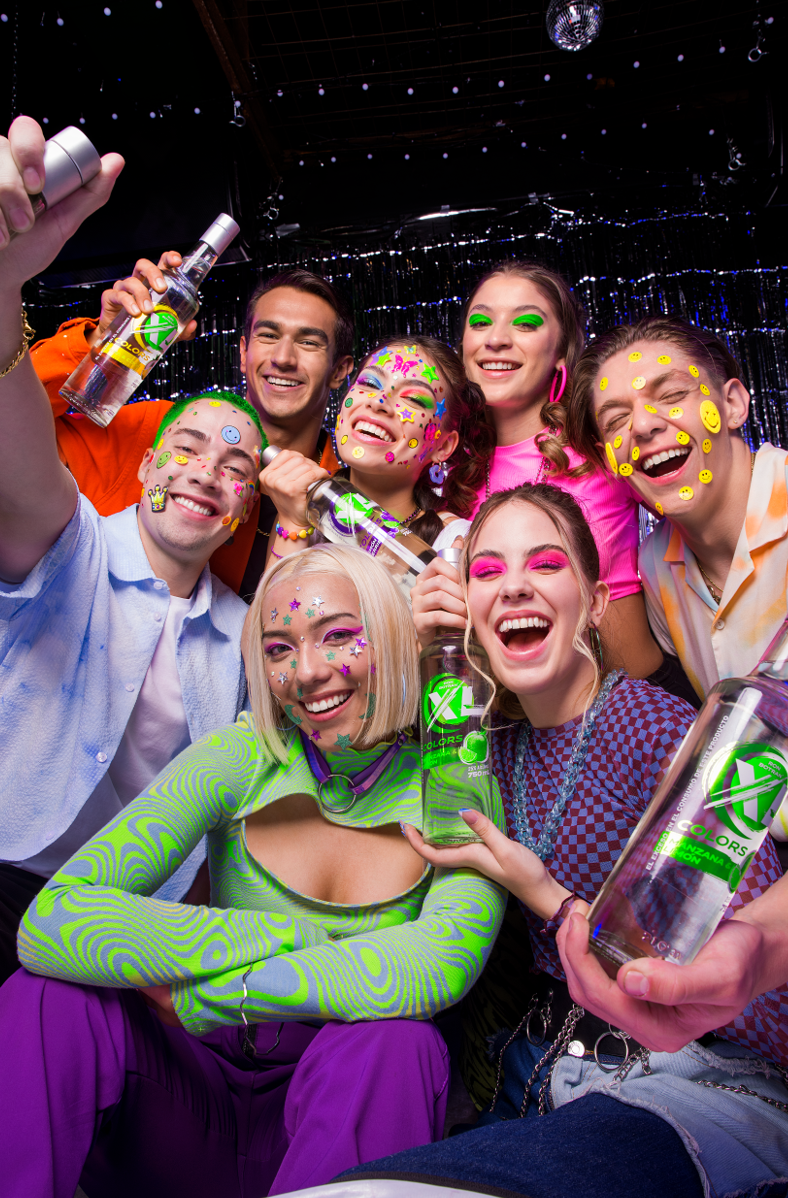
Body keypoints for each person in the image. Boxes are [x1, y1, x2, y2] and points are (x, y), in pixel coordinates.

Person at [2, 542, 507, 1198]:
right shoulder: (242, 755)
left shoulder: (452, 776)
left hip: (335, 1118)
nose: (308, 672)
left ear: (385, 634)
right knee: (49, 994)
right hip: (187, 1101)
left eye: (338, 636)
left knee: (398, 1046)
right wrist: (286, 939)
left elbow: (442, 963)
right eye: (278, 649)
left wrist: (212, 995)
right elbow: (52, 922)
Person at [360, 483, 788, 1198]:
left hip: (703, 1082)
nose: (515, 585)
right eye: (487, 572)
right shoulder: (484, 742)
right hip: (541, 1078)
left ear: (594, 602)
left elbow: (762, 1004)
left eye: (546, 564)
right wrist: (420, 640)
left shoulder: (655, 728)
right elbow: (352, 753)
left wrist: (549, 897)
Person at [0, 117, 259, 981]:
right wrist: (4, 283)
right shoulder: (69, 542)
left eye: (235, 465)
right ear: (146, 465)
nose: (204, 473)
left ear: (244, 508)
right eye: (186, 449)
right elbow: (23, 447)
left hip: (133, 931)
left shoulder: (249, 636)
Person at [29, 166, 354, 598]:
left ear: (340, 370)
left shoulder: (348, 495)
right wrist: (97, 344)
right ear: (242, 353)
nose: (282, 358)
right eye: (268, 336)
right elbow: (12, 439)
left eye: (309, 343)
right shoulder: (161, 435)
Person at [456, 259, 673, 686]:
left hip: (642, 711)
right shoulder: (452, 473)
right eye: (481, 323)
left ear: (561, 354)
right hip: (520, 726)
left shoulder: (601, 443)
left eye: (526, 324)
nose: (496, 339)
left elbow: (703, 525)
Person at [572, 314, 788, 702]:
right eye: (616, 419)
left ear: (733, 405)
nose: (641, 426)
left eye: (672, 395)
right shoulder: (656, 567)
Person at [258, 335, 492, 559]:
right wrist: (292, 524)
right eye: (370, 383)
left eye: (414, 399)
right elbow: (273, 601)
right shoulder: (298, 515)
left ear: (443, 446)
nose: (379, 401)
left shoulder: (453, 542)